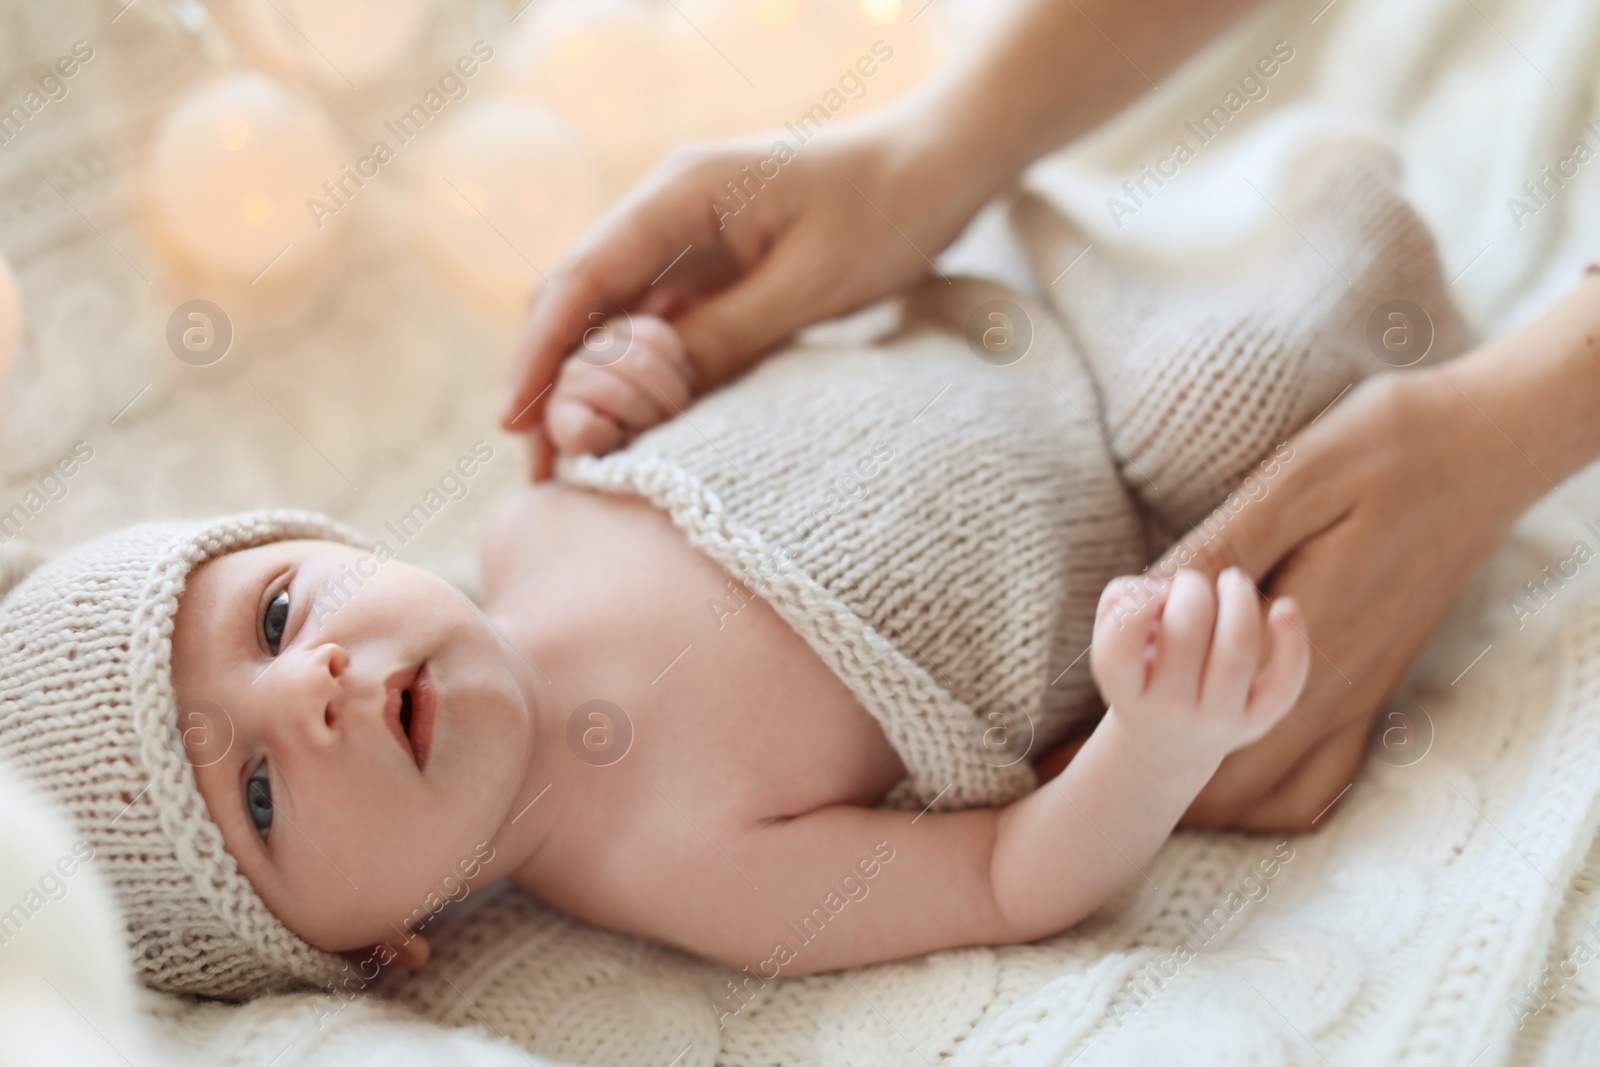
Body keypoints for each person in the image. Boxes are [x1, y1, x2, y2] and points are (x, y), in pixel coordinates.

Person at [500, 0, 1600, 832]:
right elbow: (1003, 873)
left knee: (1209, 389)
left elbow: (663, 422)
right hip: (1138, 536)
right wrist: (1153, 755)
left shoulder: (520, 543)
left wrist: (1510, 425)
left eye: (314, 599)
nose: (325, 679)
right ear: (390, 945)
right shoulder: (662, 856)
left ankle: (1275, 212)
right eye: (311, 824)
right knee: (1226, 416)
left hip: (1000, 317)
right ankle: (1314, 247)